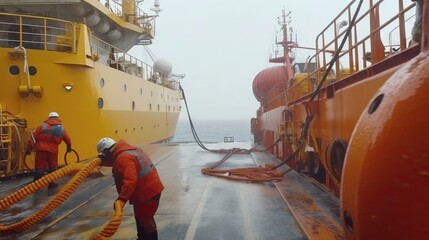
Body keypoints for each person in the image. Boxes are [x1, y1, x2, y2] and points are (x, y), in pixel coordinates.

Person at [96, 137, 164, 240]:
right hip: (150, 189)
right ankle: (142, 237)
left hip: (147, 194)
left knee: (145, 220)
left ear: (106, 151)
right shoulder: (129, 150)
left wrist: (122, 199)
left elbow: (130, 180)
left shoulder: (123, 158)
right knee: (142, 217)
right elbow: (116, 161)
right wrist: (101, 161)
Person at [26, 112, 72, 188]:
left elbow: (33, 138)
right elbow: (67, 139)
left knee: (39, 167)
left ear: (49, 118)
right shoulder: (61, 128)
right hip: (53, 150)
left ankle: (36, 185)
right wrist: (69, 147)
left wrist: (29, 149)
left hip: (41, 149)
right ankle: (51, 183)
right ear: (57, 118)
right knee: (53, 167)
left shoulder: (41, 126)